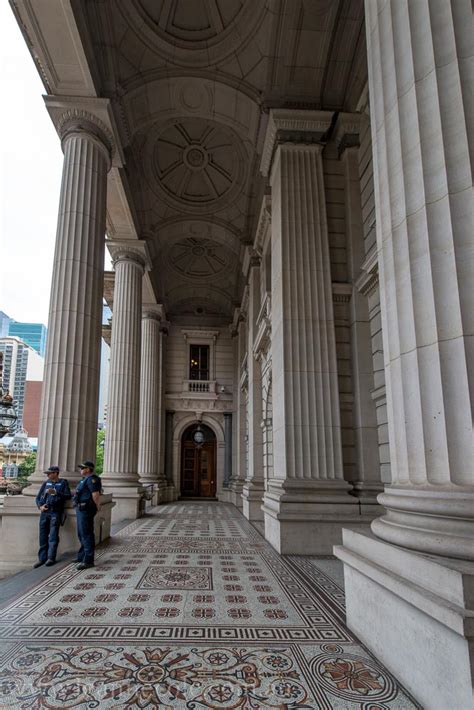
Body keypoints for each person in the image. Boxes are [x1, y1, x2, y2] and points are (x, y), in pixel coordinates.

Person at [34, 466, 71, 568]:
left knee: (53, 536)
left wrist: (55, 492)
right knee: (43, 535)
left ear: (56, 473)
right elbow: (38, 497)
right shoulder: (46, 483)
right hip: (45, 512)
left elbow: (68, 495)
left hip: (55, 512)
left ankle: (51, 557)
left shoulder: (63, 483)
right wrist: (40, 506)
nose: (48, 475)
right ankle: (42, 558)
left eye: (50, 473)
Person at [73, 460, 102, 570]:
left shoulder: (92, 479)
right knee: (81, 533)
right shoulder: (84, 480)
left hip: (86, 509)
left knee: (87, 534)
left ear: (88, 469)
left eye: (82, 468)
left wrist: (98, 506)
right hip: (81, 508)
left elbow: (95, 495)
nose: (81, 470)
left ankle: (88, 560)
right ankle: (81, 556)